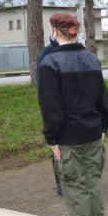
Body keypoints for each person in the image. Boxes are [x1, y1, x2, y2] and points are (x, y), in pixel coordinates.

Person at [38, 12, 108, 216]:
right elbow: (104, 100)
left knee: (76, 190)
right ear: (74, 32)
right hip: (93, 135)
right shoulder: (91, 59)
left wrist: (52, 140)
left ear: (54, 32)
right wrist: (103, 125)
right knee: (93, 186)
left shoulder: (49, 63)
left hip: (69, 139)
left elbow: (51, 108)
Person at [36, 27, 63, 196]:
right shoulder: (46, 54)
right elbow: (44, 90)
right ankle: (61, 184)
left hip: (75, 111)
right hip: (56, 111)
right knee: (59, 150)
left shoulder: (72, 51)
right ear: (54, 31)